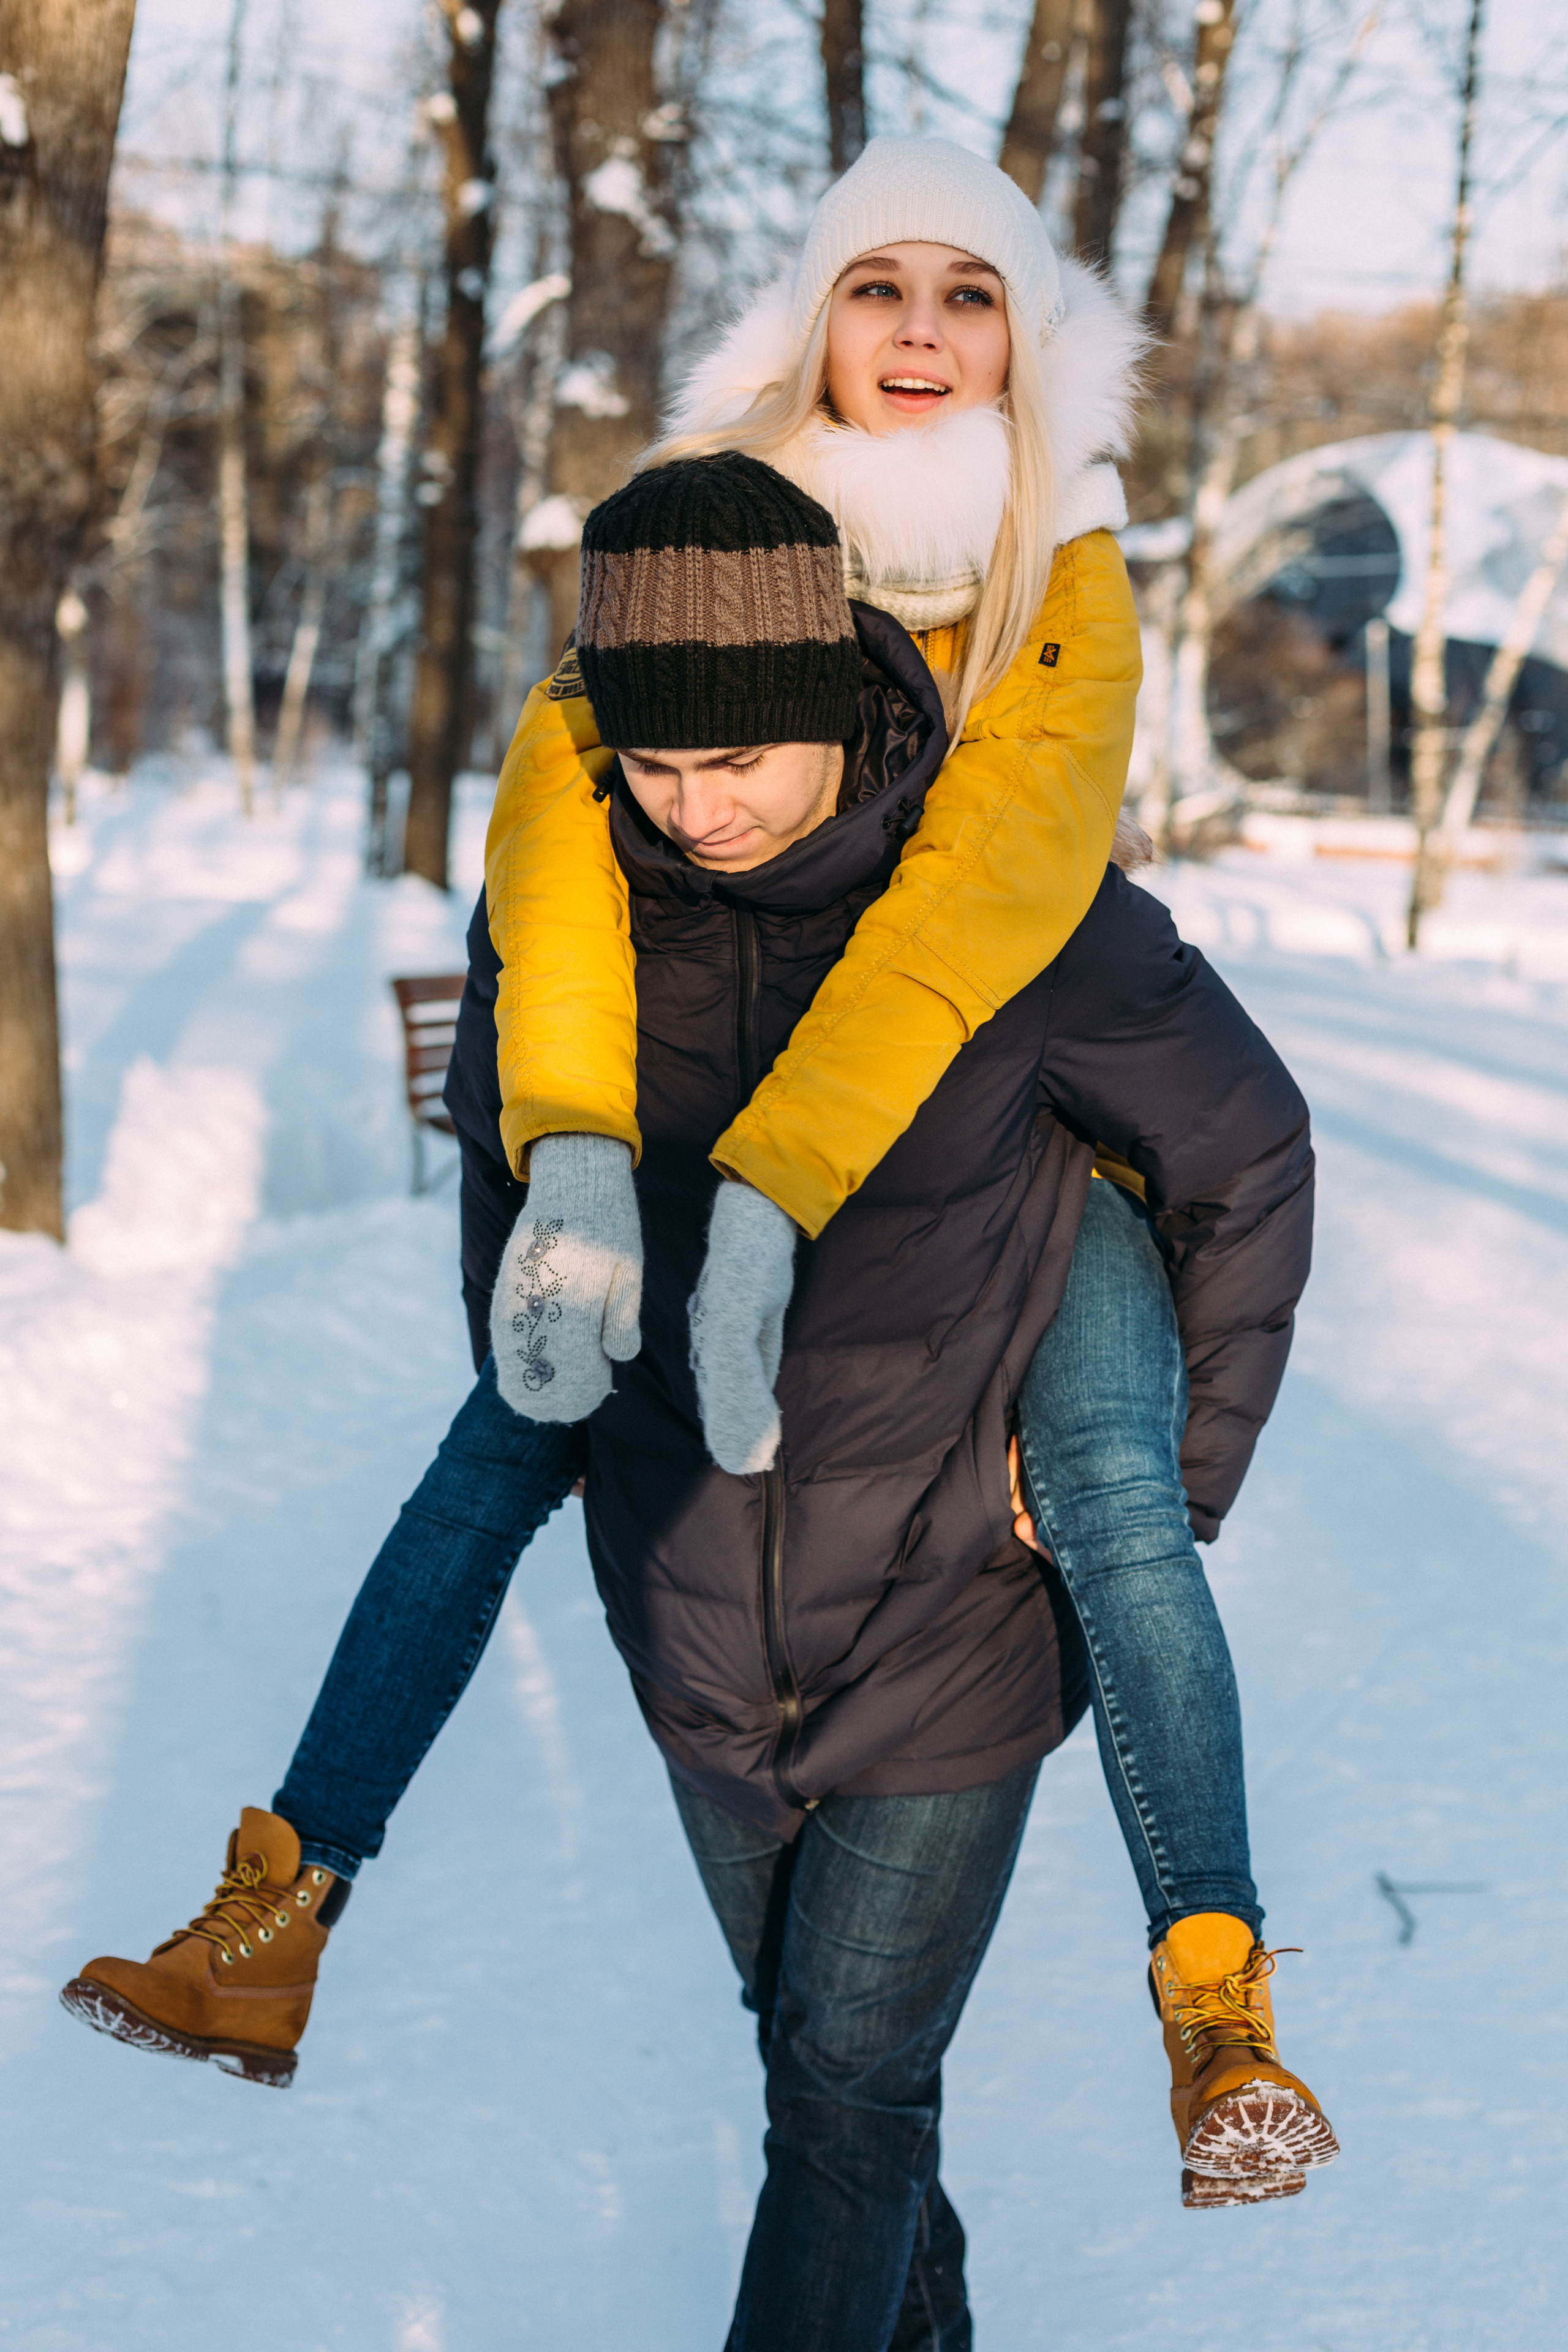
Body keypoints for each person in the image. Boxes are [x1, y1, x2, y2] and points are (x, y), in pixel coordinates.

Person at [66, 454, 1335, 2349]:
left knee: (842, 2104)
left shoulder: (1018, 913)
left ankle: (1211, 1975)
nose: (698, 808)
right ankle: (292, 1895)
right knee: (834, 2087)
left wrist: (1148, 1484)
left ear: (834, 705)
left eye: (739, 762)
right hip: (699, 1638)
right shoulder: (571, 925)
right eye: (658, 769)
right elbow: (514, 1224)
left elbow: (1249, 1160)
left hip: (944, 1639)